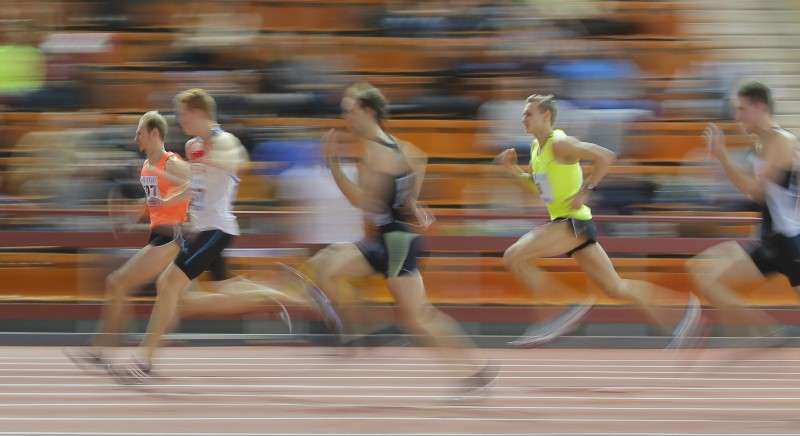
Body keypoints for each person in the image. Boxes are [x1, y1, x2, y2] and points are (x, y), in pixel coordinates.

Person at [283, 82, 496, 393]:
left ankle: (473, 367)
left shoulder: (375, 153)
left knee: (418, 317)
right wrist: (411, 201)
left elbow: (363, 203)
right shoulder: (397, 146)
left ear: (369, 112)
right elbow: (419, 160)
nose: (346, 119)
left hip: (396, 243)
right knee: (325, 266)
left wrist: (333, 167)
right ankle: (368, 329)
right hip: (391, 237)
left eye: (350, 112)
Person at [116, 89, 335, 380]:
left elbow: (237, 158)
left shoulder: (223, 140)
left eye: (183, 114)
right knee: (223, 291)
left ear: (198, 113)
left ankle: (146, 359)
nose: (180, 121)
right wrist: (168, 200)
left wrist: (210, 161)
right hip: (199, 229)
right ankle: (291, 293)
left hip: (217, 229)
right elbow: (195, 184)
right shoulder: (194, 144)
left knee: (168, 283)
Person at [495, 94, 697, 347]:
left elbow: (605, 156)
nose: (522, 118)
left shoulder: (561, 143)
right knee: (615, 287)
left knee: (513, 256)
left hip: (571, 223)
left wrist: (586, 189)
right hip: (572, 224)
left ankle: (561, 309)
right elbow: (538, 190)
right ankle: (682, 314)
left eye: (528, 113)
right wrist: (513, 170)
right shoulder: (538, 149)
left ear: (545, 116)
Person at [687, 81, 798, 341]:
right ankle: (769, 332)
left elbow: (757, 192)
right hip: (772, 241)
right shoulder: (760, 145)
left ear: (760, 107)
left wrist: (723, 157)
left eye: (742, 109)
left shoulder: (783, 141)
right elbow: (755, 193)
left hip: (792, 243)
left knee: (708, 277)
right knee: (701, 271)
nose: (737, 117)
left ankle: (769, 332)